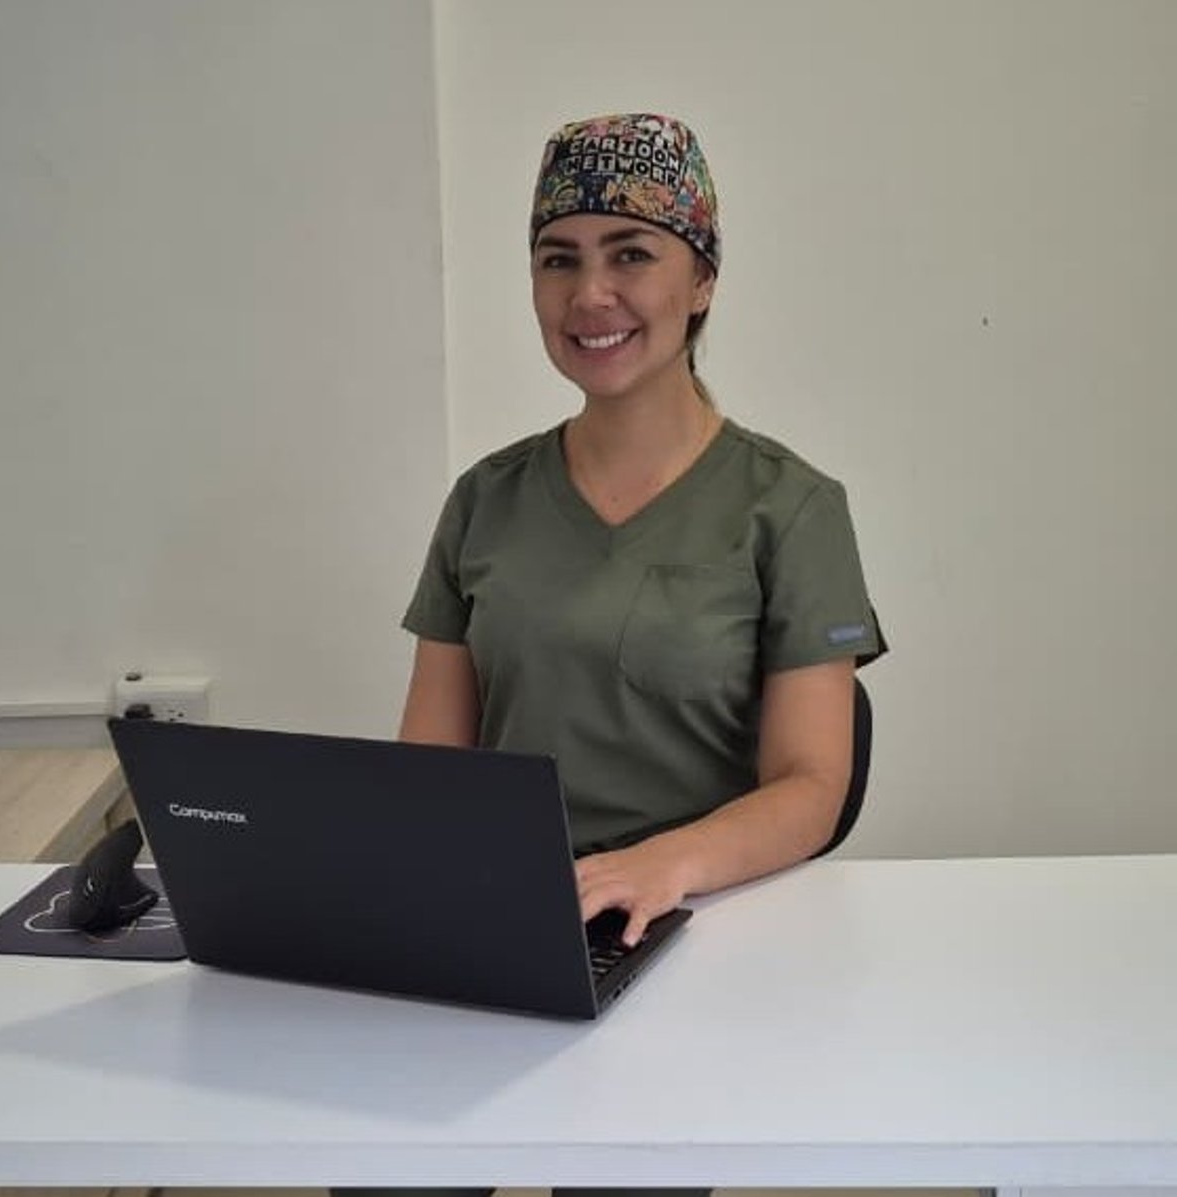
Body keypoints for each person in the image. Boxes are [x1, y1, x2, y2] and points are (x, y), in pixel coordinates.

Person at [345, 112, 885, 1197]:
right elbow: (428, 772)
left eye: (631, 254)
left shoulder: (789, 508)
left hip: (681, 932)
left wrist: (664, 866)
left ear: (703, 280)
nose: (590, 296)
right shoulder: (485, 500)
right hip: (492, 925)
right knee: (379, 1168)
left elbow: (813, 785)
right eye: (559, 260)